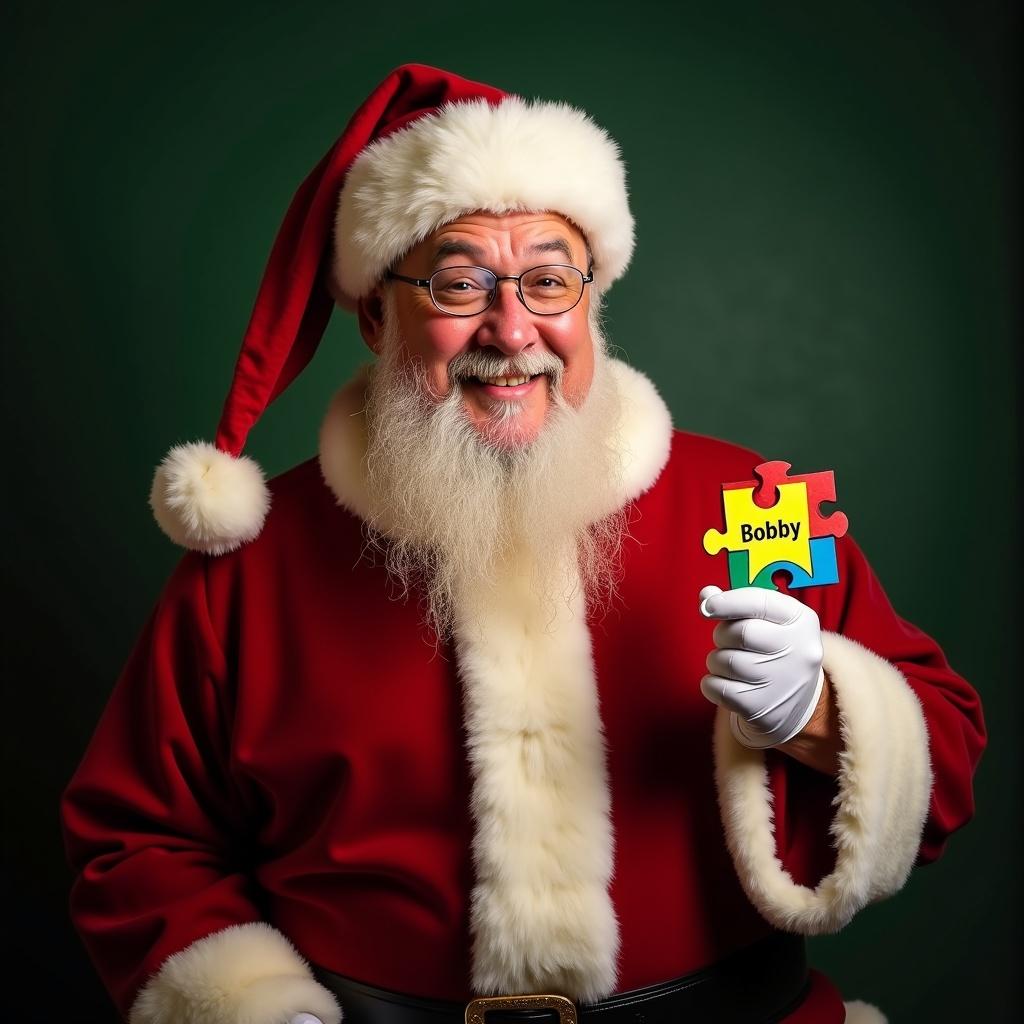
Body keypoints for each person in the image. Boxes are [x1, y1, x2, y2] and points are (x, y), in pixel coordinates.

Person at [62, 65, 985, 1024]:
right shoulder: (254, 564)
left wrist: (821, 711)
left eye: (549, 280)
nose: (513, 329)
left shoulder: (756, 504)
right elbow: (136, 841)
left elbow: (946, 764)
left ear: (592, 302)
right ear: (376, 316)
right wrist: (251, 1011)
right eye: (460, 284)